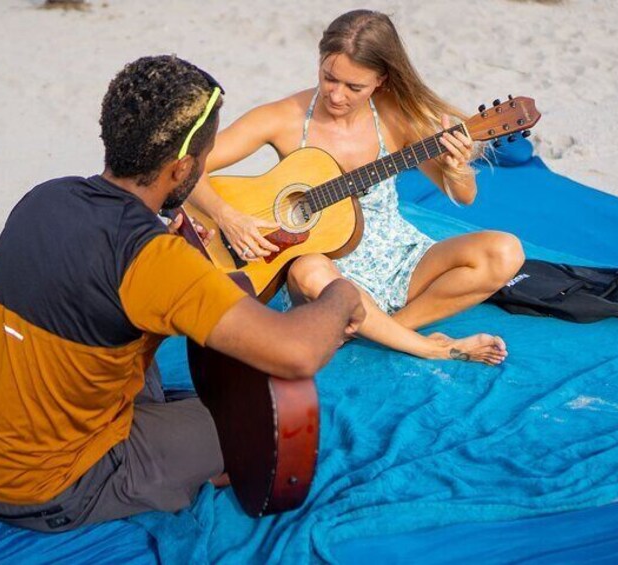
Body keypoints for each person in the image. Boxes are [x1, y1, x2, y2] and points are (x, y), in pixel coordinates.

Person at [0, 55, 364, 532]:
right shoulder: (153, 259)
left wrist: (163, 234)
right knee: (258, 433)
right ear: (183, 167)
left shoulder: (46, 196)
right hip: (42, 485)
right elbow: (295, 354)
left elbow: (95, 269)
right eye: (204, 160)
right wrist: (342, 294)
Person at [188, 10, 525, 366]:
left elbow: (464, 197)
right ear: (319, 59)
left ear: (380, 79)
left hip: (398, 258)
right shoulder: (282, 117)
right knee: (307, 270)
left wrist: (458, 168)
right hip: (326, 277)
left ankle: (388, 329)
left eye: (354, 87)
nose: (336, 95)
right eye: (329, 78)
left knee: (505, 251)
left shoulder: (396, 117)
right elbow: (188, 166)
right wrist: (226, 216)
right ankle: (431, 347)